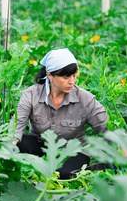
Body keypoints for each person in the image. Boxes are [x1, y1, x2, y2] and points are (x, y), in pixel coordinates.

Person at [13, 48, 109, 179]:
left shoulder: (85, 99)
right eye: (66, 77)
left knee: (61, 174)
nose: (72, 81)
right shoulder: (31, 95)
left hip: (72, 151)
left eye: (74, 75)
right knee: (20, 146)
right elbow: (16, 126)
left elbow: (105, 127)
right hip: (42, 146)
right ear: (50, 75)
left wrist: (125, 148)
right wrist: (9, 150)